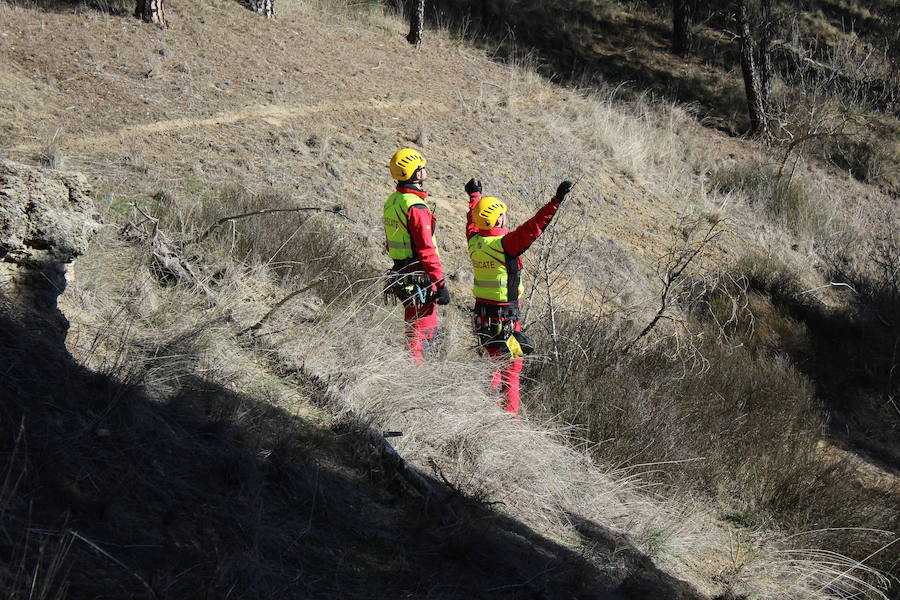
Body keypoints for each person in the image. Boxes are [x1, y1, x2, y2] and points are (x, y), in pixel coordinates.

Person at [464, 178, 574, 416]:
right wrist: (555, 202)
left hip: (483, 319)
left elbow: (472, 218)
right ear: (499, 219)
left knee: (493, 365)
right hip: (507, 322)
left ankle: (486, 410)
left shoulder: (474, 240)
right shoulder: (506, 244)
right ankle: (509, 423)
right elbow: (534, 226)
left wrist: (475, 195)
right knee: (512, 372)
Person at [384, 148, 451, 363]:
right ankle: (419, 376)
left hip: (402, 274)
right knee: (423, 334)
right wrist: (440, 284)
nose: (425, 171)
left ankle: (411, 369)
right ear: (416, 174)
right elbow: (426, 250)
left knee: (412, 329)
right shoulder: (416, 207)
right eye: (421, 168)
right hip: (420, 278)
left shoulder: (393, 201)